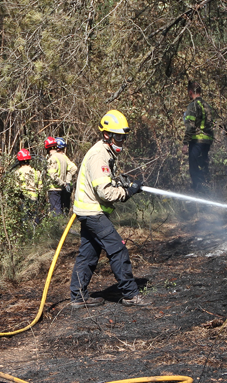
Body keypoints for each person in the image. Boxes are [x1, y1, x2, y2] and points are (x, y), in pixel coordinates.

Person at [70, 110, 151, 308]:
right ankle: (131, 294)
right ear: (107, 135)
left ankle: (78, 297)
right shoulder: (99, 156)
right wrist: (127, 192)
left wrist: (122, 183)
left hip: (88, 211)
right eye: (118, 137)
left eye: (124, 137)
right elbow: (105, 193)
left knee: (88, 255)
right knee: (118, 249)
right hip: (93, 213)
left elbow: (104, 182)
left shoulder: (105, 153)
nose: (122, 141)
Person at [183, 79, 214, 193]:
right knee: (203, 168)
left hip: (197, 142)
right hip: (207, 142)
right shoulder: (207, 105)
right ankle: (207, 192)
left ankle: (200, 195)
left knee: (194, 170)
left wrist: (185, 143)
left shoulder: (193, 106)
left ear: (190, 92)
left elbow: (190, 126)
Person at [44, 136, 78, 216]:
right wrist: (66, 182)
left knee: (56, 212)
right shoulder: (63, 157)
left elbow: (52, 175)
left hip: (54, 188)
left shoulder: (52, 159)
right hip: (60, 188)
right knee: (61, 209)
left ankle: (59, 227)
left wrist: (64, 182)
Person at [13, 148, 43, 224]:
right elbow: (40, 188)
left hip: (23, 198)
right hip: (34, 198)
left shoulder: (17, 172)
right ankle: (36, 233)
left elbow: (16, 188)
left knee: (25, 219)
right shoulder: (36, 172)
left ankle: (27, 234)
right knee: (34, 217)